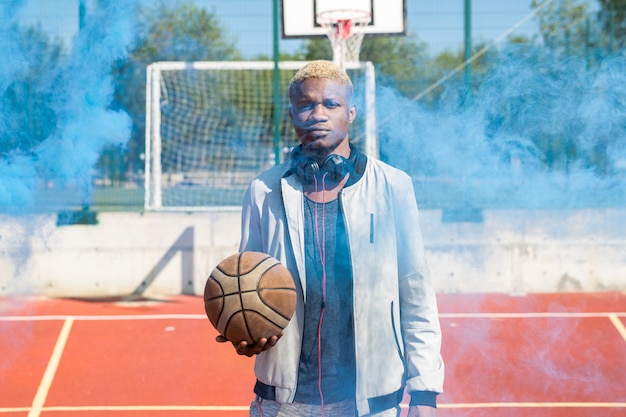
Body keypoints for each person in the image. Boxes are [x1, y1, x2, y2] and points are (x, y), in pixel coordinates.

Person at [217, 60, 444, 417]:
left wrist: (425, 394)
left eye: (331, 104)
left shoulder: (392, 187)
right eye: (306, 105)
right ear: (293, 115)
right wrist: (245, 330)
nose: (317, 114)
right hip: (284, 402)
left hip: (372, 404)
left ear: (351, 112)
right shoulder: (263, 190)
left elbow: (415, 294)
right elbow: (250, 283)